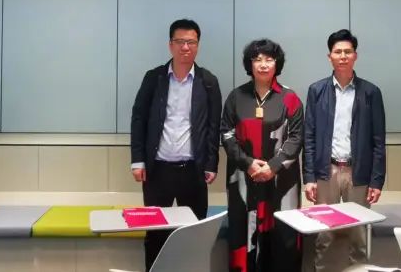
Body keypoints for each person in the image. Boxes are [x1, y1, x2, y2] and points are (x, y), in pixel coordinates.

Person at [130, 19, 223, 271]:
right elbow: (138, 118)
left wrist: (211, 163)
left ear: (198, 45)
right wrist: (137, 160)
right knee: (155, 233)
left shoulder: (208, 81)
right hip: (157, 170)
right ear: (170, 45)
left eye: (191, 42)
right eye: (180, 42)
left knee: (193, 233)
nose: (185, 47)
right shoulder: (154, 78)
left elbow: (213, 126)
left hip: (192, 170)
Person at [303, 29, 387, 271]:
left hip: (358, 173)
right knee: (324, 233)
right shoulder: (316, 91)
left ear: (355, 56)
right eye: (337, 51)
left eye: (347, 52)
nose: (342, 56)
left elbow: (378, 140)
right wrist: (309, 177)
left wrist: (377, 180)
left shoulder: (370, 92)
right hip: (326, 171)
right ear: (329, 56)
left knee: (358, 235)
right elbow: (309, 137)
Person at [221, 39, 303, 272]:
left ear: (277, 64)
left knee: (283, 238)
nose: (263, 64)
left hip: (280, 183)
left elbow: (296, 138)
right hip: (245, 181)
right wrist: (248, 164)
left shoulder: (290, 98)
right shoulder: (236, 97)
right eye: (257, 59)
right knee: (244, 237)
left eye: (269, 59)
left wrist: (273, 166)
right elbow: (226, 134)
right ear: (250, 64)